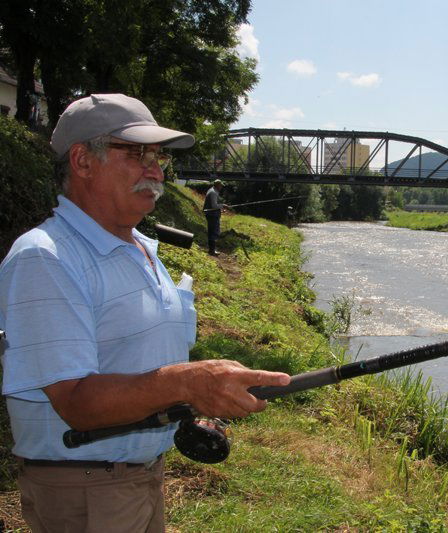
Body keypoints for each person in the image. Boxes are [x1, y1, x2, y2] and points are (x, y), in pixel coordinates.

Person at [0, 93, 290, 532]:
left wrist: (192, 394)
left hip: (139, 480)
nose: (156, 171)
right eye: (137, 154)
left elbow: (140, 365)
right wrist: (189, 382)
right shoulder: (47, 258)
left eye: (157, 156)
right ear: (82, 161)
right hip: (87, 494)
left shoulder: (138, 249)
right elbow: (76, 402)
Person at [203, 179, 225, 255]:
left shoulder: (212, 190)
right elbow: (214, 205)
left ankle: (211, 250)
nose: (221, 187)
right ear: (217, 185)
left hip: (211, 214)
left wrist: (220, 209)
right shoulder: (213, 192)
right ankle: (212, 251)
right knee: (213, 232)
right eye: (221, 185)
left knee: (212, 232)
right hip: (212, 215)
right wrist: (223, 206)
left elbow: (213, 205)